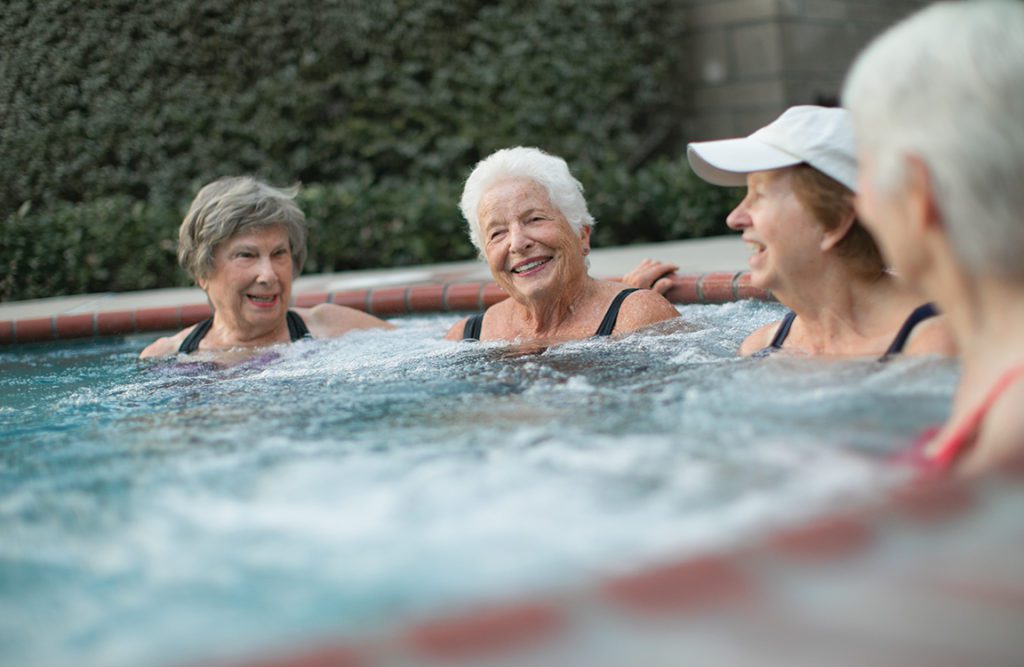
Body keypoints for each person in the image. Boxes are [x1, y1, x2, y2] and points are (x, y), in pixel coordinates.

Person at [843, 0, 1024, 474]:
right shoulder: (995, 374)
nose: (860, 204)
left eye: (863, 170)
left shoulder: (1010, 436)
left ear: (917, 191)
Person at [623, 106, 955, 359]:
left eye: (760, 195)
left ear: (834, 220)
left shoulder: (937, 345)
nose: (735, 217)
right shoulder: (762, 348)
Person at [445, 147, 679, 343]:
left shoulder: (635, 318)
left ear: (582, 235)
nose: (517, 243)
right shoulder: (465, 338)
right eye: (498, 233)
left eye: (535, 219)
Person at [140, 176, 391, 359]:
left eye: (279, 253)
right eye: (247, 255)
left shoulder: (335, 327)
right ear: (202, 271)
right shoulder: (166, 356)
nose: (268, 275)